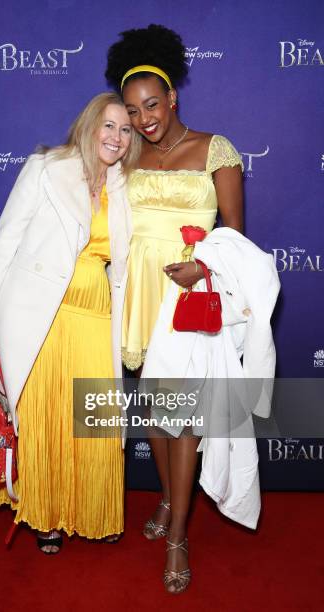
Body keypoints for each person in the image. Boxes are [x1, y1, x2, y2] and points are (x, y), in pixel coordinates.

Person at [0, 92, 140, 553]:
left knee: (93, 420)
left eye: (126, 130)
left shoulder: (126, 186)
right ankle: (45, 514)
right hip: (39, 315)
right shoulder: (46, 167)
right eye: (109, 126)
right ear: (89, 125)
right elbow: (5, 241)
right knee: (45, 419)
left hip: (95, 317)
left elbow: (128, 264)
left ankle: (89, 509)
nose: (117, 137)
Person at [106, 25, 244, 593]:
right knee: (156, 412)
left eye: (152, 105)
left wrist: (205, 268)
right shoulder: (125, 154)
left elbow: (234, 233)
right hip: (140, 291)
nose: (144, 119)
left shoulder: (216, 149)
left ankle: (178, 535)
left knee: (182, 415)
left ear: (172, 99)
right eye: (134, 110)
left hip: (190, 293)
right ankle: (166, 497)